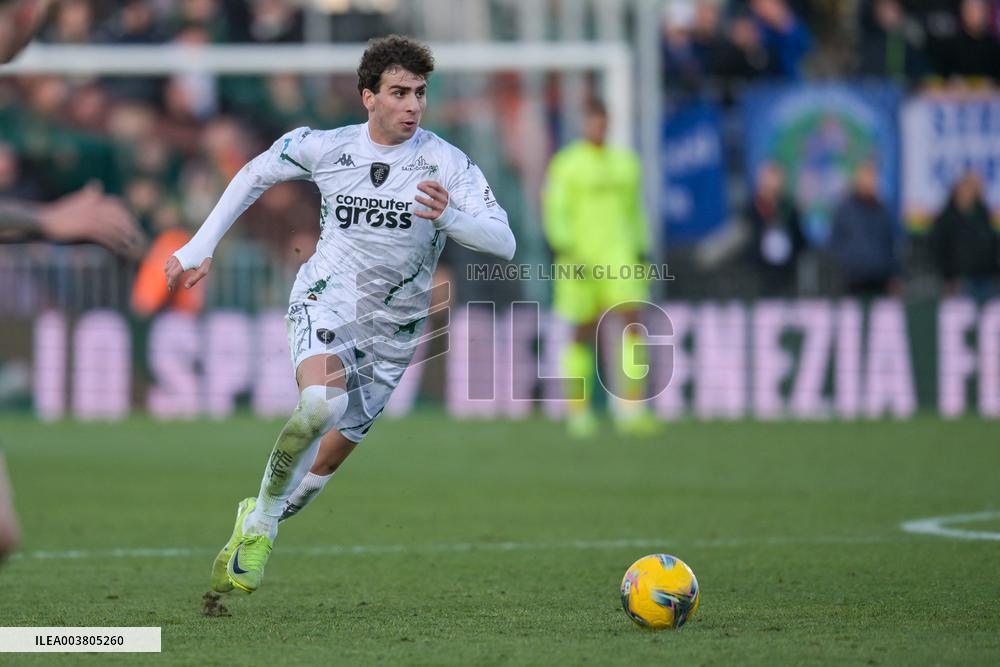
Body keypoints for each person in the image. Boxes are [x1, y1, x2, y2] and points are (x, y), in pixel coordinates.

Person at [165, 35, 515, 595]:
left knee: (312, 481)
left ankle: (260, 517)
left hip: (395, 331)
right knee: (319, 404)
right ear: (368, 97)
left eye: (420, 94)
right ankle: (260, 527)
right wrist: (200, 245)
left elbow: (504, 242)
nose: (412, 106)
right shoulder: (326, 147)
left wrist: (454, 219)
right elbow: (254, 172)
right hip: (325, 299)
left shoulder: (447, 163)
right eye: (399, 93)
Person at [542, 98, 658, 439]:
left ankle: (631, 410)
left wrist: (641, 247)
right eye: (591, 120)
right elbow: (554, 209)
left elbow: (636, 211)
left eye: (601, 120)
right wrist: (564, 246)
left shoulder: (626, 164)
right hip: (579, 259)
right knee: (583, 330)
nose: (597, 126)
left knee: (632, 325)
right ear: (583, 123)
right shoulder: (566, 164)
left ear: (608, 122)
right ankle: (579, 411)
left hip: (620, 257)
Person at [827, 160, 901, 297]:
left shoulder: (882, 210)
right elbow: (835, 242)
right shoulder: (845, 210)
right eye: (867, 177)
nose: (870, 182)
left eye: (873, 178)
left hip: (880, 279)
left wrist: (894, 274)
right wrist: (847, 263)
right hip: (852, 280)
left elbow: (890, 244)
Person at [928, 171, 999, 301]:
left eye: (974, 188)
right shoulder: (947, 217)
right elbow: (938, 249)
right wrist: (947, 276)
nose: (969, 192)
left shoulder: (983, 215)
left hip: (984, 279)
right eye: (967, 187)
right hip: (959, 281)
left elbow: (992, 245)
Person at [744, 162, 807, 296]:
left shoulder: (790, 210)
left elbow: (801, 241)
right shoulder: (751, 210)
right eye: (768, 178)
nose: (771, 183)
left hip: (787, 276)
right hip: (759, 276)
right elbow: (746, 242)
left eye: (775, 178)